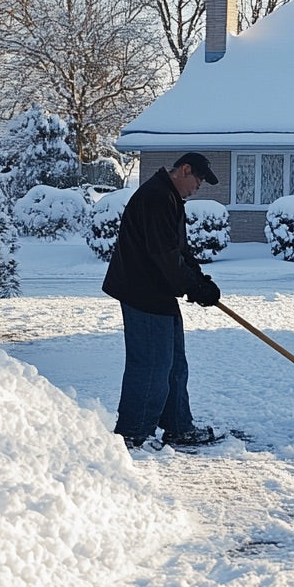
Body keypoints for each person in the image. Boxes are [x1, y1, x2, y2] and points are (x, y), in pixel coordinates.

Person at [103, 152, 224, 450]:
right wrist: (192, 288)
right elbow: (164, 257)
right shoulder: (156, 198)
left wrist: (199, 281)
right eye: (198, 180)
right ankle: (132, 433)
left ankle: (178, 426)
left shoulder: (169, 198)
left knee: (174, 364)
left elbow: (179, 250)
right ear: (185, 170)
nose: (198, 188)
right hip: (141, 291)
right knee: (151, 364)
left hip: (157, 291)